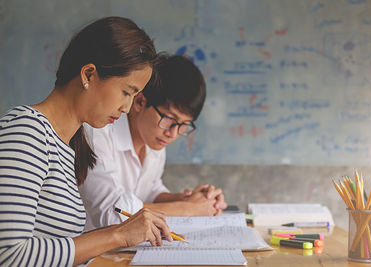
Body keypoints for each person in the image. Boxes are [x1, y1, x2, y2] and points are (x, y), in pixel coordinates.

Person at [0, 17, 173, 267]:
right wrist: (118, 234)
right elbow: (9, 254)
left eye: (134, 96)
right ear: (89, 74)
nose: (126, 108)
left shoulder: (69, 144)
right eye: (126, 92)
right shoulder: (26, 131)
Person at [79, 54, 227, 231]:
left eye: (184, 125)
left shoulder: (155, 141)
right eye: (169, 119)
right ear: (140, 101)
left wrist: (191, 200)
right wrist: (187, 209)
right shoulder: (97, 133)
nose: (172, 133)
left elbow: (149, 191)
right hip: (88, 255)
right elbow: (113, 214)